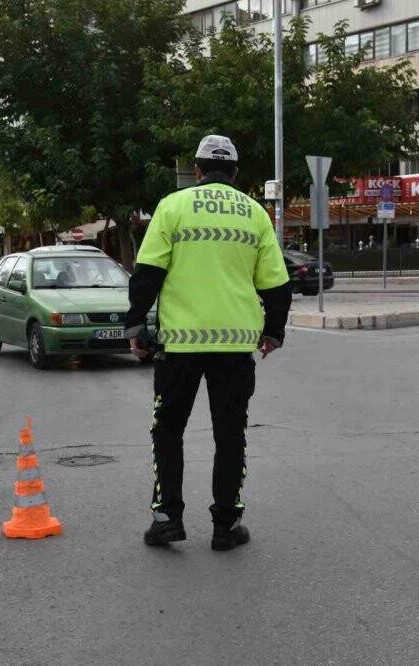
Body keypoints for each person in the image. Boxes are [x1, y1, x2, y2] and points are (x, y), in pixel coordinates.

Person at [125, 135, 291, 552]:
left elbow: (147, 273)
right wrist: (273, 331)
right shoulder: (255, 213)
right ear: (235, 173)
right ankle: (226, 525)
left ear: (197, 170)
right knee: (230, 435)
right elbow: (276, 285)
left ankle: (167, 519)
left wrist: (135, 329)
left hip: (178, 347)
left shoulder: (172, 206)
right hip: (235, 348)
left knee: (168, 431)